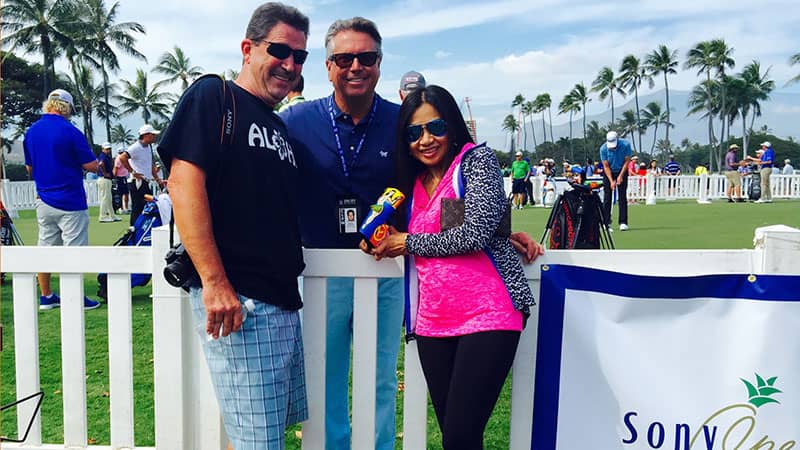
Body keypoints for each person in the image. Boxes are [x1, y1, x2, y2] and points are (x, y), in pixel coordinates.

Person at [281, 17, 542, 450]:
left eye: (366, 57)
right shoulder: (296, 120)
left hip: (393, 275)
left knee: (383, 376)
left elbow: (455, 206)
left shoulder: (398, 120)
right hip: (324, 274)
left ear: (380, 64)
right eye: (344, 58)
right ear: (328, 66)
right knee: (325, 378)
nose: (355, 67)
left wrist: (500, 231)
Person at [156, 3, 310, 448]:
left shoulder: (278, 125)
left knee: (263, 434)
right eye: (279, 50)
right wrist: (215, 282)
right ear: (248, 48)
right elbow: (183, 184)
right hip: (240, 301)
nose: (290, 64)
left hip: (280, 300)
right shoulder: (214, 96)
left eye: (299, 57)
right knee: (257, 441)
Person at [363, 85, 538, 450]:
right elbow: (456, 224)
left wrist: (406, 242)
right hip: (434, 321)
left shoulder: (476, 161)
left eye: (435, 128)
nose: (425, 139)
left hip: (489, 313)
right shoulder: (408, 184)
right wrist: (374, 236)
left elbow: (473, 233)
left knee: (460, 436)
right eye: (414, 132)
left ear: (453, 126)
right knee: (457, 438)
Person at [23, 88, 101, 311]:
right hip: (70, 200)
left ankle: (46, 296)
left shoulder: (32, 131)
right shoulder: (70, 131)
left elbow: (30, 167)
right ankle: (74, 298)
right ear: (66, 108)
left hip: (43, 199)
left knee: (45, 248)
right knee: (74, 250)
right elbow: (90, 165)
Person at [118, 124, 166, 224]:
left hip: (144, 182)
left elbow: (150, 164)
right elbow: (122, 157)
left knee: (145, 206)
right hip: (137, 182)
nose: (154, 137)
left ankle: (141, 228)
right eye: (152, 134)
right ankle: (134, 231)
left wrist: (158, 180)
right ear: (146, 135)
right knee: (137, 207)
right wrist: (132, 172)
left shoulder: (148, 147)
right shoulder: (136, 147)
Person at [599, 131, 632, 231]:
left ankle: (623, 222)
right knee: (607, 197)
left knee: (622, 197)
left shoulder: (625, 145)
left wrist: (621, 176)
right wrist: (611, 181)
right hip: (609, 172)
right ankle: (606, 222)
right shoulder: (603, 149)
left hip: (622, 170)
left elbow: (627, 162)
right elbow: (606, 166)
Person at [97, 142, 121, 222]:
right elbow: (101, 164)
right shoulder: (103, 156)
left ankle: (112, 215)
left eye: (109, 149)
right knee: (105, 198)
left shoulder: (105, 156)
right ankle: (102, 216)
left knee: (109, 198)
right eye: (107, 149)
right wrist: (105, 173)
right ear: (103, 149)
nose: (108, 150)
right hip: (104, 179)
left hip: (106, 179)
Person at [113, 147, 131, 213]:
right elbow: (115, 169)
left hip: (123, 177)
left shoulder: (122, 159)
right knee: (121, 193)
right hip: (120, 177)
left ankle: (125, 208)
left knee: (125, 193)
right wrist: (115, 178)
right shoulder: (119, 159)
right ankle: (121, 208)